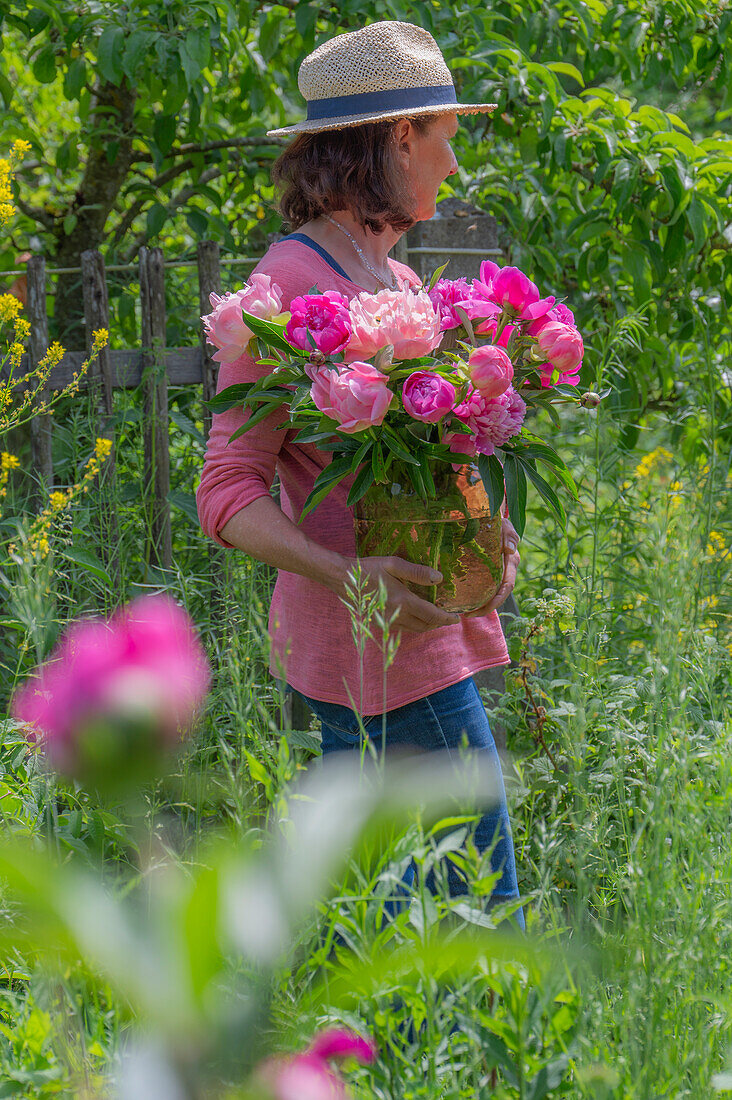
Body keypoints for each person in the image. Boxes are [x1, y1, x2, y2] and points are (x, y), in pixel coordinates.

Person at [196, 21, 524, 928]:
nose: (453, 164)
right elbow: (226, 489)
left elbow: (414, 469)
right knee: (485, 930)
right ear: (397, 139)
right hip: (377, 660)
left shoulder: (396, 278)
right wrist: (352, 578)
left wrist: (480, 525)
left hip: (411, 645)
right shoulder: (289, 286)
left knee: (387, 936)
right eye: (446, 137)